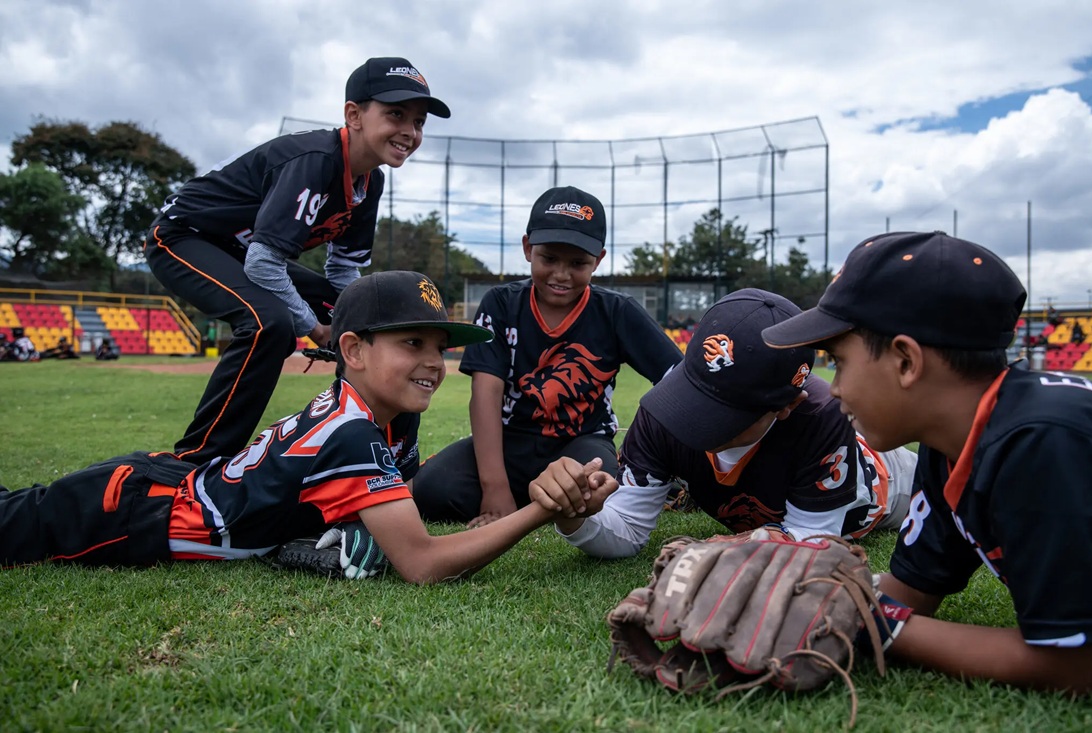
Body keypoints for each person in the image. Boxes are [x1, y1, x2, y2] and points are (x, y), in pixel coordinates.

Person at [0, 271, 619, 584]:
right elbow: (423, 564)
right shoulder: (353, 430)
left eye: (440, 346)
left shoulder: (385, 417)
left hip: (160, 488)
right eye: (411, 343)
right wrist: (540, 509)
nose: (434, 362)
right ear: (352, 350)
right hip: (129, 516)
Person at [760, 230, 1092, 693]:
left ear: (906, 361)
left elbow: (1079, 666)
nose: (833, 387)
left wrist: (871, 626)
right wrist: (811, 598)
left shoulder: (1041, 442)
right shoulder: (950, 443)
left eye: (838, 361)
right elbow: (911, 593)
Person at [144, 57, 449, 466]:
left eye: (419, 121)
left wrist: (363, 316)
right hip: (184, 237)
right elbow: (263, 265)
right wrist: (317, 328)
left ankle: (385, 461)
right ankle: (197, 464)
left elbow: (342, 270)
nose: (410, 131)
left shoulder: (369, 181)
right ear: (353, 115)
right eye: (396, 114)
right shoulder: (316, 160)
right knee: (268, 323)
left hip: (244, 252)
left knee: (385, 323)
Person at [535, 288, 916, 559]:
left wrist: (716, 550)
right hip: (772, 503)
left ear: (786, 406)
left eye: (726, 412)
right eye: (695, 393)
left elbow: (812, 544)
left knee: (945, 487)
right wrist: (579, 517)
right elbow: (628, 529)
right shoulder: (660, 411)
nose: (697, 422)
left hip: (886, 483)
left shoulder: (817, 414)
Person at [412, 186, 684, 527]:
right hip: (510, 442)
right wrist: (493, 489)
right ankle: (535, 501)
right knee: (431, 490)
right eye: (550, 258)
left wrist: (667, 454)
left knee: (594, 490)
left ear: (598, 260)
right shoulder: (501, 303)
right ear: (528, 248)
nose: (561, 274)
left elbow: (679, 378)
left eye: (578, 263)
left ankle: (656, 489)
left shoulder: (617, 311)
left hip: (581, 443)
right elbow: (486, 394)